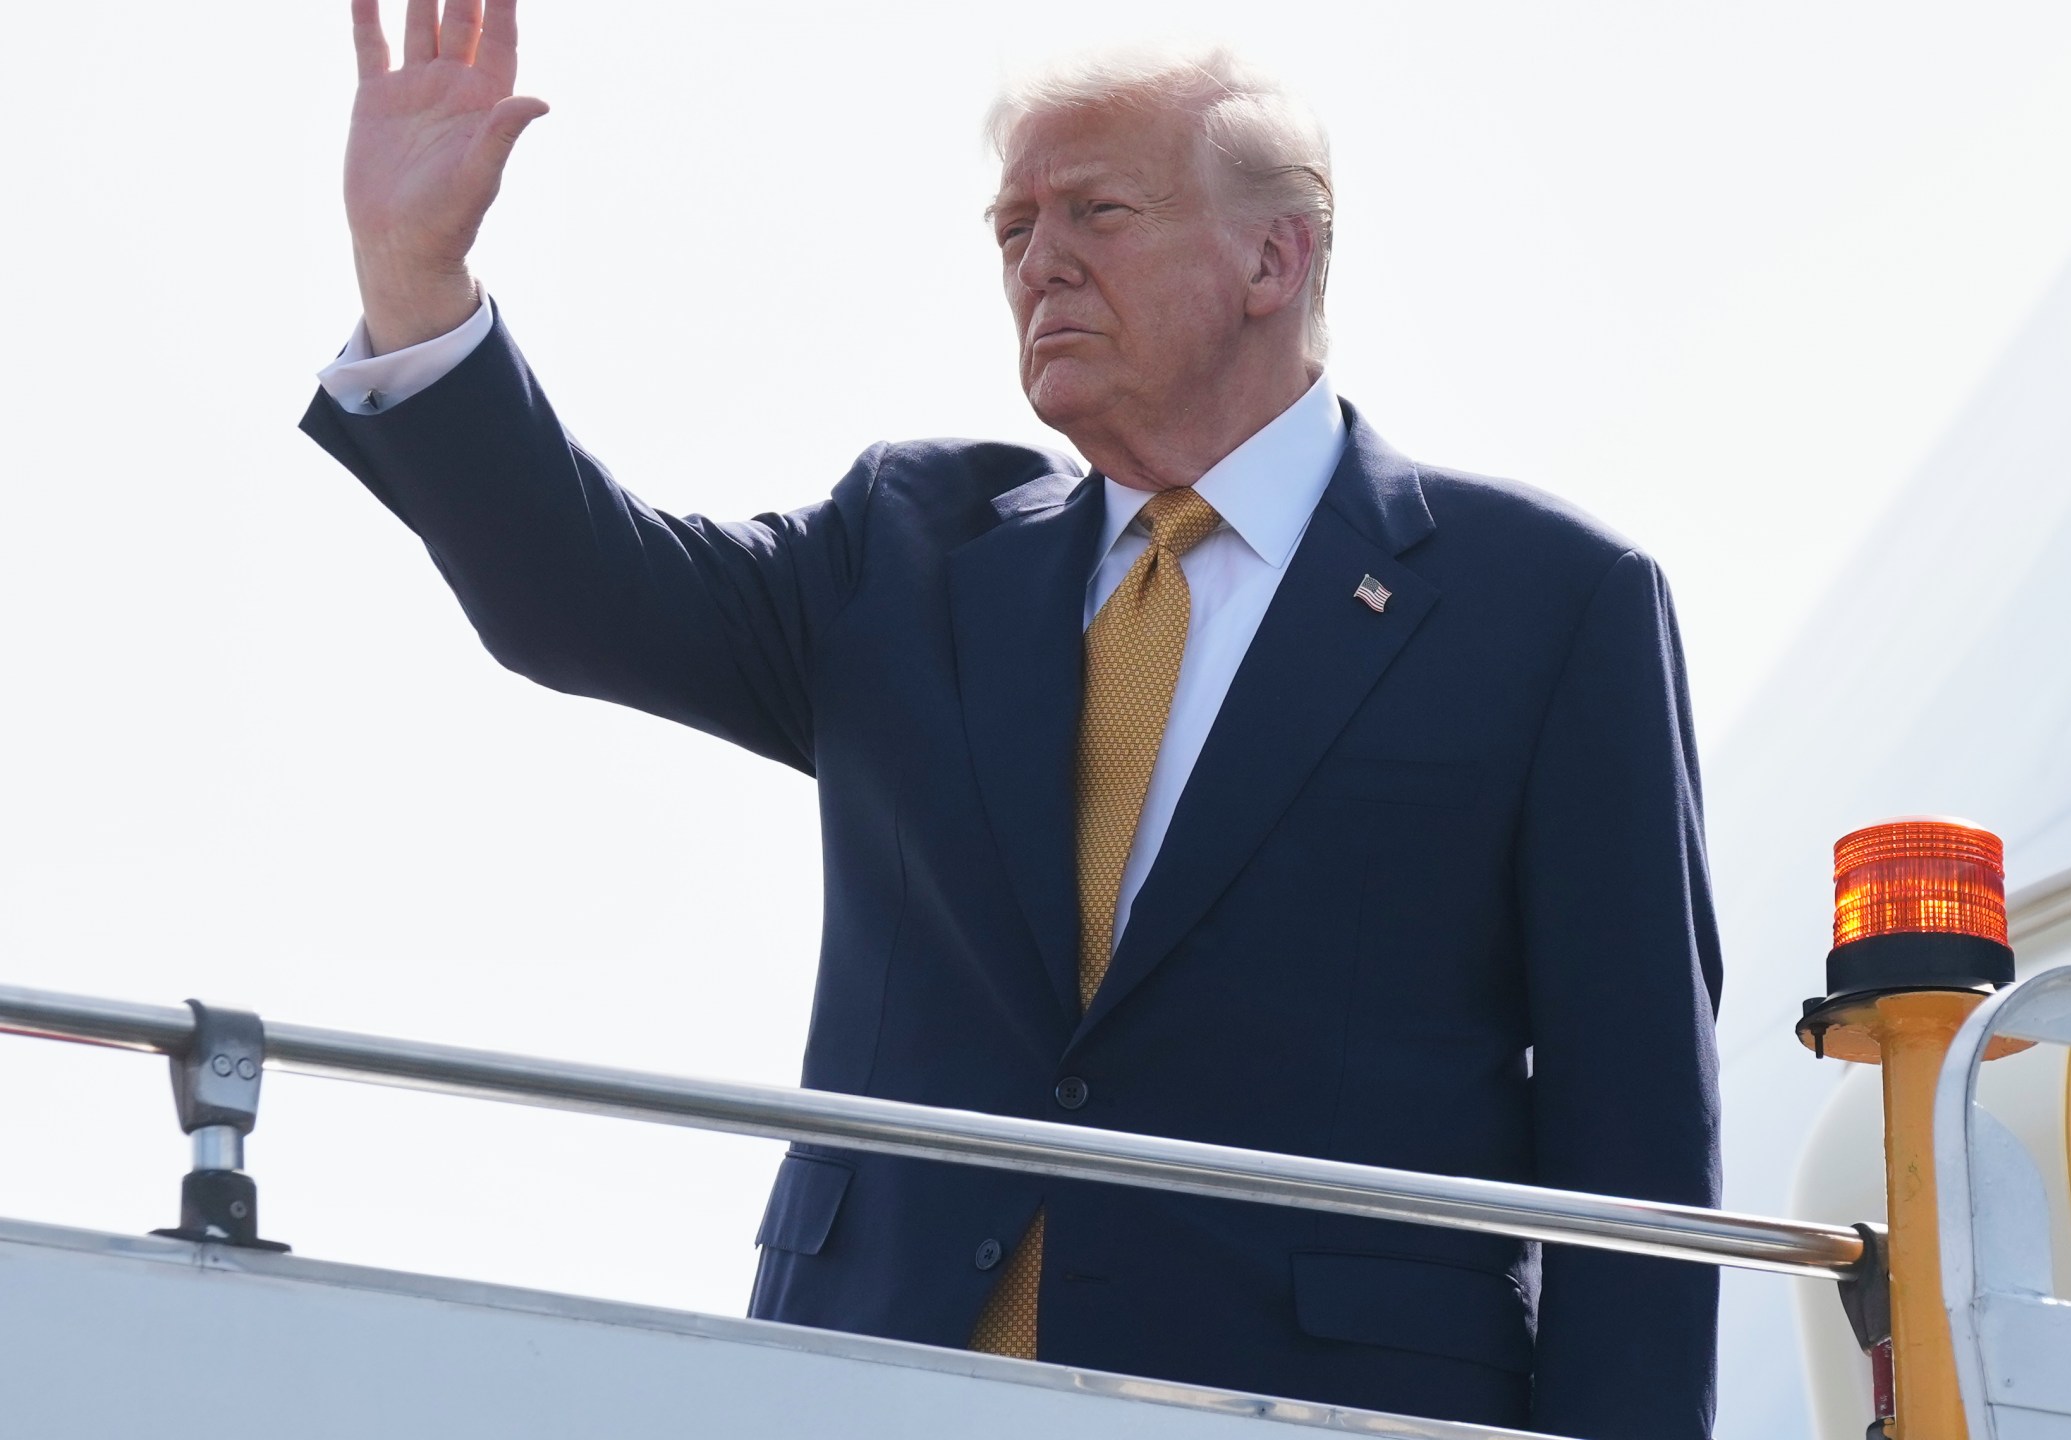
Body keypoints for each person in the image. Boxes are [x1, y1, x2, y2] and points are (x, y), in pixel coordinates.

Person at [303, 3, 1724, 1435]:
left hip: (1310, 1403)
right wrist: (417, 277)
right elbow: (579, 596)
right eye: (1012, 226)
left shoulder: (1547, 605)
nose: (1040, 260)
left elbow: (1638, 1135)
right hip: (878, 1388)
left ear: (1274, 257)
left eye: (1096, 209)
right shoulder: (908, 547)